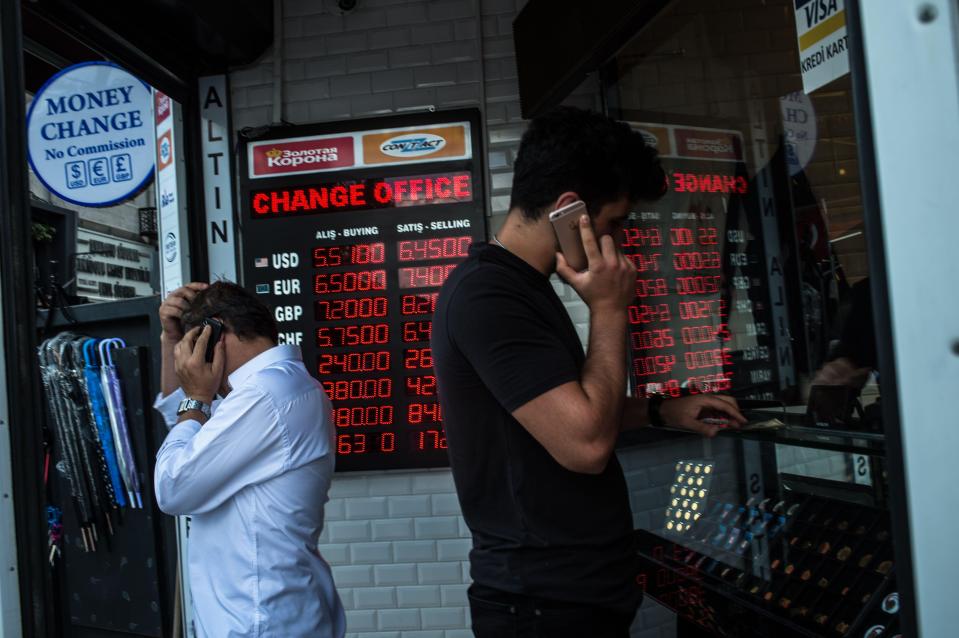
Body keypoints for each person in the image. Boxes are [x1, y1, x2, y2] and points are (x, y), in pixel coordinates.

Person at [431, 106, 746, 637]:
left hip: (567, 598)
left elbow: (564, 411)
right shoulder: (489, 295)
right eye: (615, 222)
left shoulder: (520, 288)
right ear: (568, 210)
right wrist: (609, 308)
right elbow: (583, 444)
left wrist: (661, 410)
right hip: (541, 607)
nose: (618, 241)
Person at [152, 281, 345, 638]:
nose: (190, 361)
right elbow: (181, 426)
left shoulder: (264, 395)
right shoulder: (276, 387)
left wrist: (196, 397)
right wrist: (169, 341)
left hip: (256, 623)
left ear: (215, 336)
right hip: (264, 617)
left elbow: (173, 486)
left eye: (193, 348)